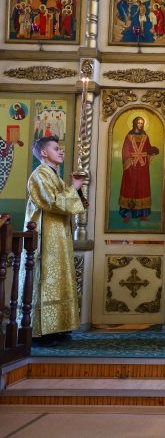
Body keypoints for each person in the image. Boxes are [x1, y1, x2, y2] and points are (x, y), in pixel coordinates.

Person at [19, 136, 85, 346]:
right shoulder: (40, 175)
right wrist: (74, 188)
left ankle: (58, 327)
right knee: (45, 279)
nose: (61, 152)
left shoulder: (54, 176)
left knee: (57, 280)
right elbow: (53, 202)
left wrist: (74, 189)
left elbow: (70, 204)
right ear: (44, 153)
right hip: (44, 237)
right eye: (56, 149)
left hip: (57, 237)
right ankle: (41, 331)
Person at [118, 116, 159, 223]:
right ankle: (127, 214)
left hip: (142, 167)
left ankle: (142, 214)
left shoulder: (145, 136)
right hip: (131, 166)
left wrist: (153, 150)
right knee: (129, 188)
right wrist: (129, 160)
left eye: (142, 123)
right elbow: (125, 150)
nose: (140, 125)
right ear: (134, 123)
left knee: (142, 188)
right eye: (138, 123)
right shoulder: (129, 136)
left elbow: (148, 148)